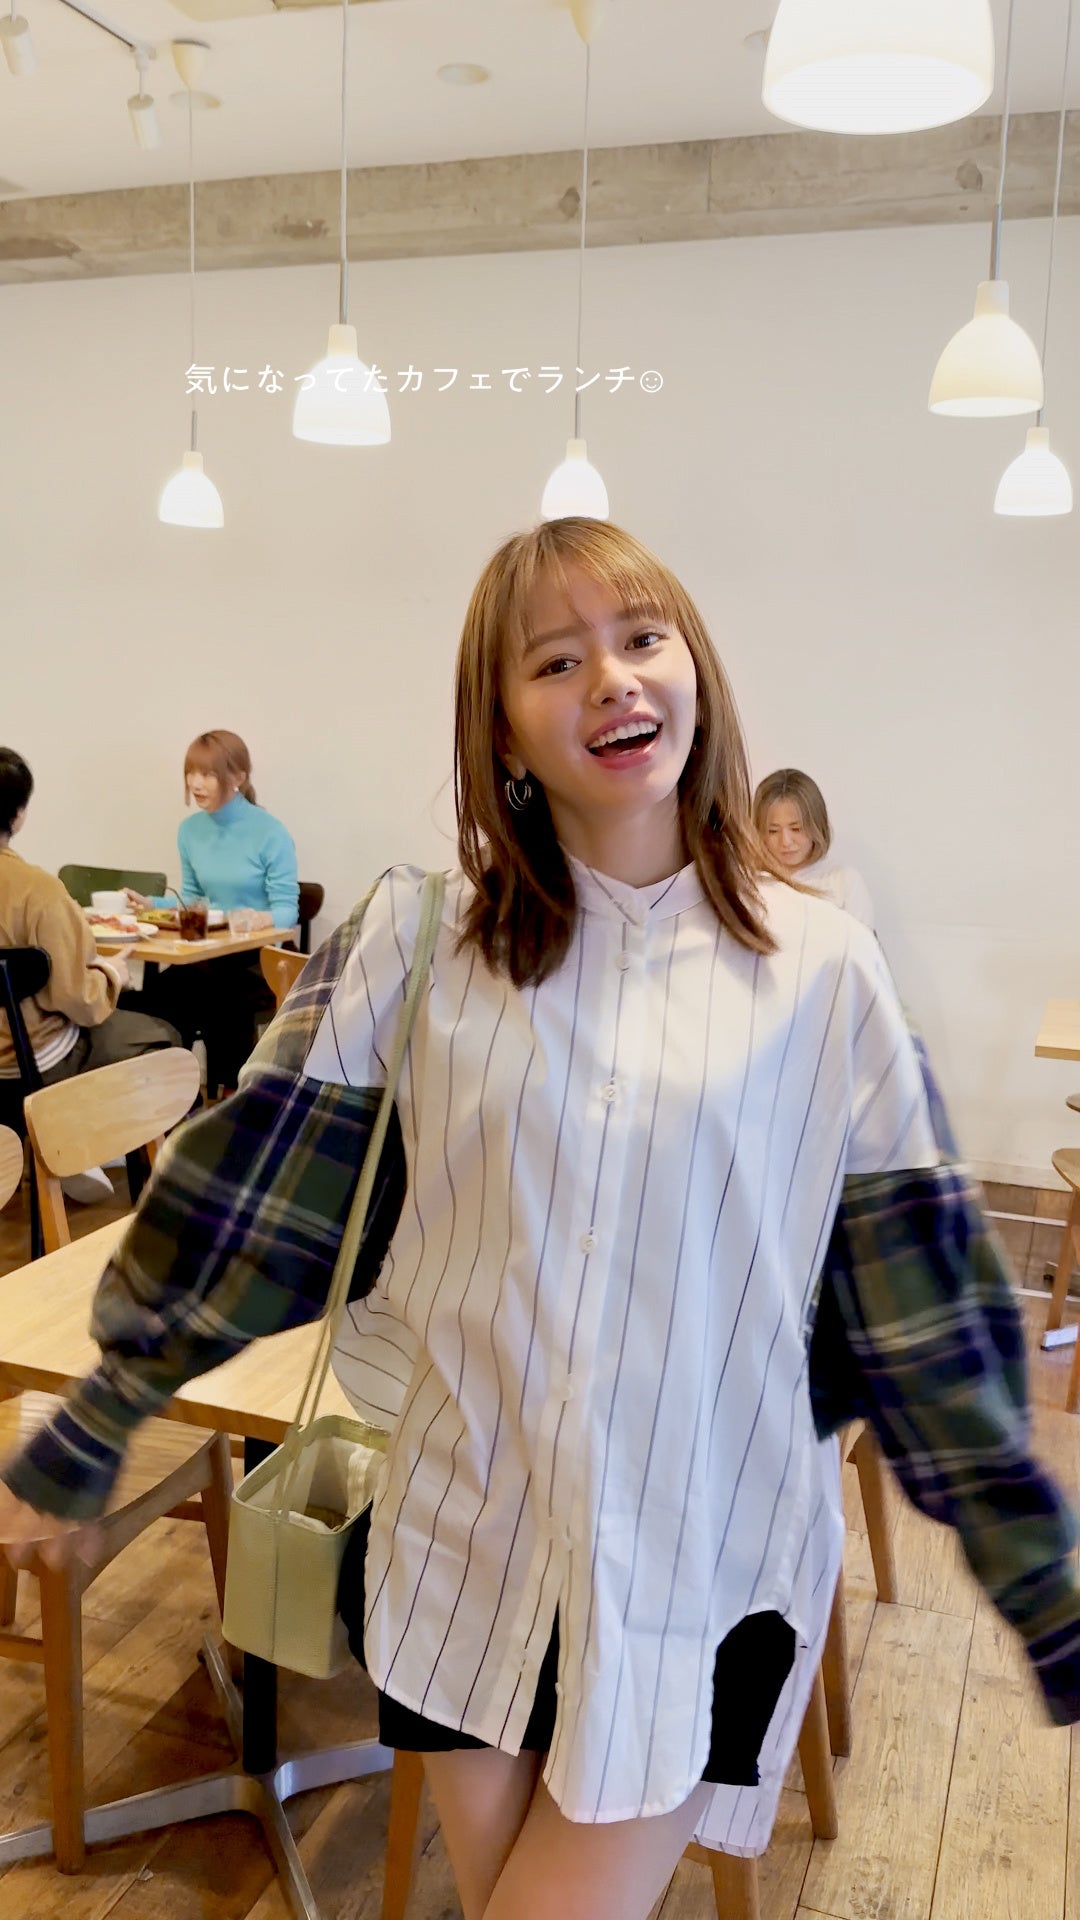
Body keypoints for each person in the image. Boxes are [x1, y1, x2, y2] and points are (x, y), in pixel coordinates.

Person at [1, 523, 1078, 1920]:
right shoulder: (417, 937)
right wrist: (87, 1430)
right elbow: (244, 1192)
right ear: (501, 724)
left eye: (641, 638)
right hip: (466, 1543)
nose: (612, 679)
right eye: (556, 660)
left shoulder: (822, 966)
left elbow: (919, 1279)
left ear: (694, 670)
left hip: (703, 1559)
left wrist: (1029, 1555)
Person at [0, 748, 180, 1202]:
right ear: (18, 815)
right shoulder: (38, 891)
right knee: (161, 1038)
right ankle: (77, 1146)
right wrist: (110, 974)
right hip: (30, 1065)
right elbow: (77, 999)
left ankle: (68, 1148)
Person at [128, 730, 299, 1092]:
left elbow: (288, 910)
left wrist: (259, 918)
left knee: (219, 999)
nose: (195, 783)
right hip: (208, 953)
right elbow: (193, 899)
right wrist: (151, 905)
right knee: (158, 997)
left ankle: (229, 1098)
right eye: (191, 772)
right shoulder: (189, 831)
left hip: (257, 957)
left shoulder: (270, 832)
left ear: (238, 777)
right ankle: (172, 1098)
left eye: (207, 774)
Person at [753, 767, 874, 929]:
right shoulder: (749, 881)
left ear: (816, 826)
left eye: (796, 829)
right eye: (773, 831)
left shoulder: (843, 881)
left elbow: (863, 942)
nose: (786, 841)